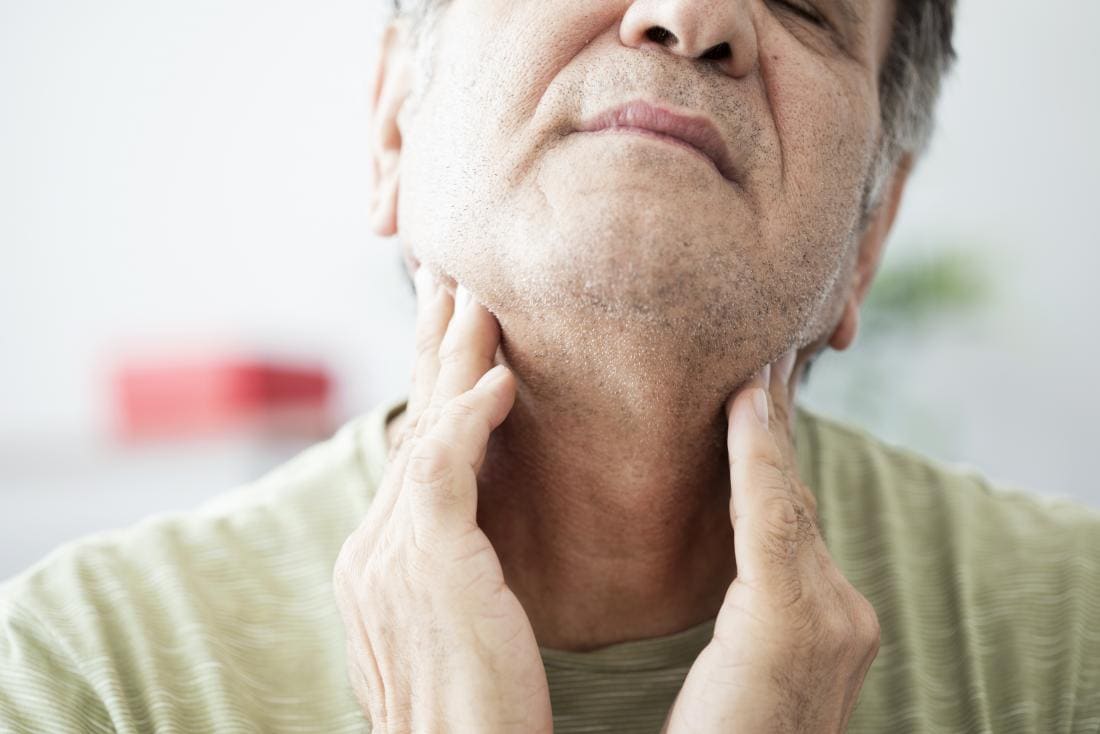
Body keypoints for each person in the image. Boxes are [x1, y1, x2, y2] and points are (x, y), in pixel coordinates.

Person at [2, 0, 1098, 731]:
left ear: (868, 236)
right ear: (393, 126)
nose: (692, 14)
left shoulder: (1073, 640)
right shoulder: (78, 673)